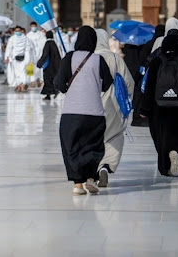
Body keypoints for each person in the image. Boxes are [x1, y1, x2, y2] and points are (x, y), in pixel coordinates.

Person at [54, 26, 114, 195]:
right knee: (93, 146)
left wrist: (68, 88)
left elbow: (58, 83)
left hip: (71, 113)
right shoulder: (98, 59)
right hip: (94, 112)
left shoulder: (68, 58)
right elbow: (107, 82)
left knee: (72, 147)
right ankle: (90, 178)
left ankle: (78, 185)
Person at [141, 34, 178, 176]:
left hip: (159, 105)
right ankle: (176, 155)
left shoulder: (157, 60)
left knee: (161, 135)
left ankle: (165, 166)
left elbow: (149, 86)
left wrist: (145, 108)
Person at [94, 29, 135, 187]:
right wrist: (129, 98)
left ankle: (95, 168)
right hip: (114, 105)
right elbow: (129, 82)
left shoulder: (89, 58)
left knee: (94, 137)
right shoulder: (115, 58)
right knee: (114, 135)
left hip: (93, 103)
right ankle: (105, 166)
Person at [5, 26, 35, 93]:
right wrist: (7, 56)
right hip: (14, 58)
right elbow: (9, 48)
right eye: (16, 31)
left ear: (21, 31)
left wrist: (28, 58)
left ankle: (22, 86)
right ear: (15, 31)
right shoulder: (12, 39)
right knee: (16, 73)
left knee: (23, 72)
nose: (18, 32)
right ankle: (19, 85)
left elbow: (28, 48)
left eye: (19, 30)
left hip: (24, 58)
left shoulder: (26, 38)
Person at [37, 31, 61, 100]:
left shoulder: (48, 43)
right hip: (55, 66)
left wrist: (40, 63)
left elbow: (45, 55)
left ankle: (50, 93)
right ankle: (52, 92)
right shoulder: (54, 43)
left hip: (48, 66)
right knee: (52, 79)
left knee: (47, 80)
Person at [26, 22, 46, 88]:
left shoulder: (40, 34)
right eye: (32, 26)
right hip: (31, 54)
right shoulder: (28, 35)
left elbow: (43, 42)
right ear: (30, 27)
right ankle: (32, 81)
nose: (33, 27)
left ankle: (40, 79)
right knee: (31, 67)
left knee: (40, 67)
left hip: (39, 52)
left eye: (34, 26)